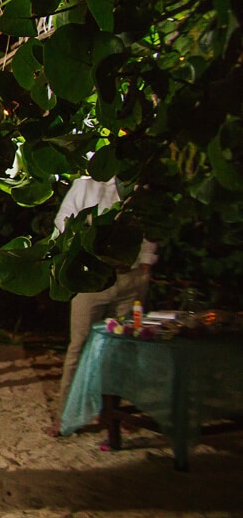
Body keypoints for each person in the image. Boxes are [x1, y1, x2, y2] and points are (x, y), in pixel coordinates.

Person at [52, 177, 157, 415]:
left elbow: (150, 229)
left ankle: (117, 416)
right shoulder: (86, 184)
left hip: (130, 276)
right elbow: (62, 222)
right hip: (91, 277)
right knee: (80, 344)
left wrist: (145, 266)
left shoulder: (139, 186)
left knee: (125, 345)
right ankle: (67, 414)